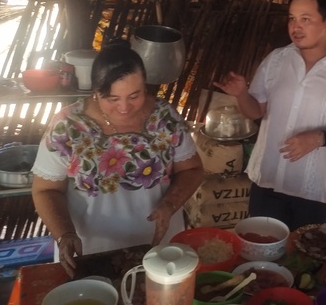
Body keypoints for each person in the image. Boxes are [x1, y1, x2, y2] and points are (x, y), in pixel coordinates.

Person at [213, 0, 326, 231]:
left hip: (311, 192)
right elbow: (256, 112)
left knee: (304, 262)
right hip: (267, 182)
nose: (295, 27)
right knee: (261, 256)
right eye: (292, 18)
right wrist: (241, 95)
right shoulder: (276, 60)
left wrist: (319, 138)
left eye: (305, 19)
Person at [31, 46, 204, 277]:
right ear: (96, 91)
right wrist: (64, 234)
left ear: (145, 86)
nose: (124, 107)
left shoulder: (165, 117)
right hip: (90, 250)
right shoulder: (68, 125)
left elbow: (192, 169)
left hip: (157, 250)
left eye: (135, 95)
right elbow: (45, 190)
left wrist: (170, 204)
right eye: (112, 98)